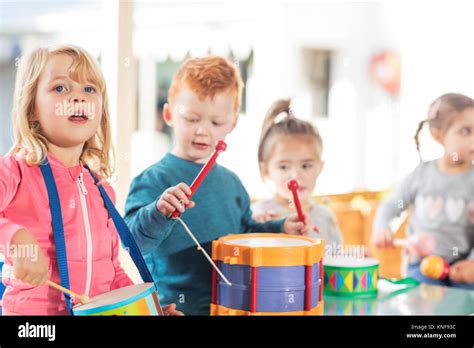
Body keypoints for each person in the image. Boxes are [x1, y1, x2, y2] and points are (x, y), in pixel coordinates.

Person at [124, 57, 314, 315]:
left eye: (215, 123)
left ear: (232, 124)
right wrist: (158, 212)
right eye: (191, 119)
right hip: (173, 309)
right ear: (169, 115)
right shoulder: (153, 180)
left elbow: (245, 233)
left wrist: (280, 228)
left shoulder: (232, 183)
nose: (202, 131)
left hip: (232, 308)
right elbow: (131, 243)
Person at [0, 44, 182, 315]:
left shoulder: (101, 189)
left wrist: (145, 311)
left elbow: (111, 273)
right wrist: (15, 237)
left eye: (89, 89)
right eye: (60, 88)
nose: (78, 98)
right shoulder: (16, 170)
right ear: (32, 109)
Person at [372, 93, 474, 288]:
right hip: (422, 266)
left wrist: (472, 263)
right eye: (465, 131)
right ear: (439, 135)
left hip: (464, 268)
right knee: (423, 304)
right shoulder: (421, 175)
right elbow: (391, 205)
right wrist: (382, 228)